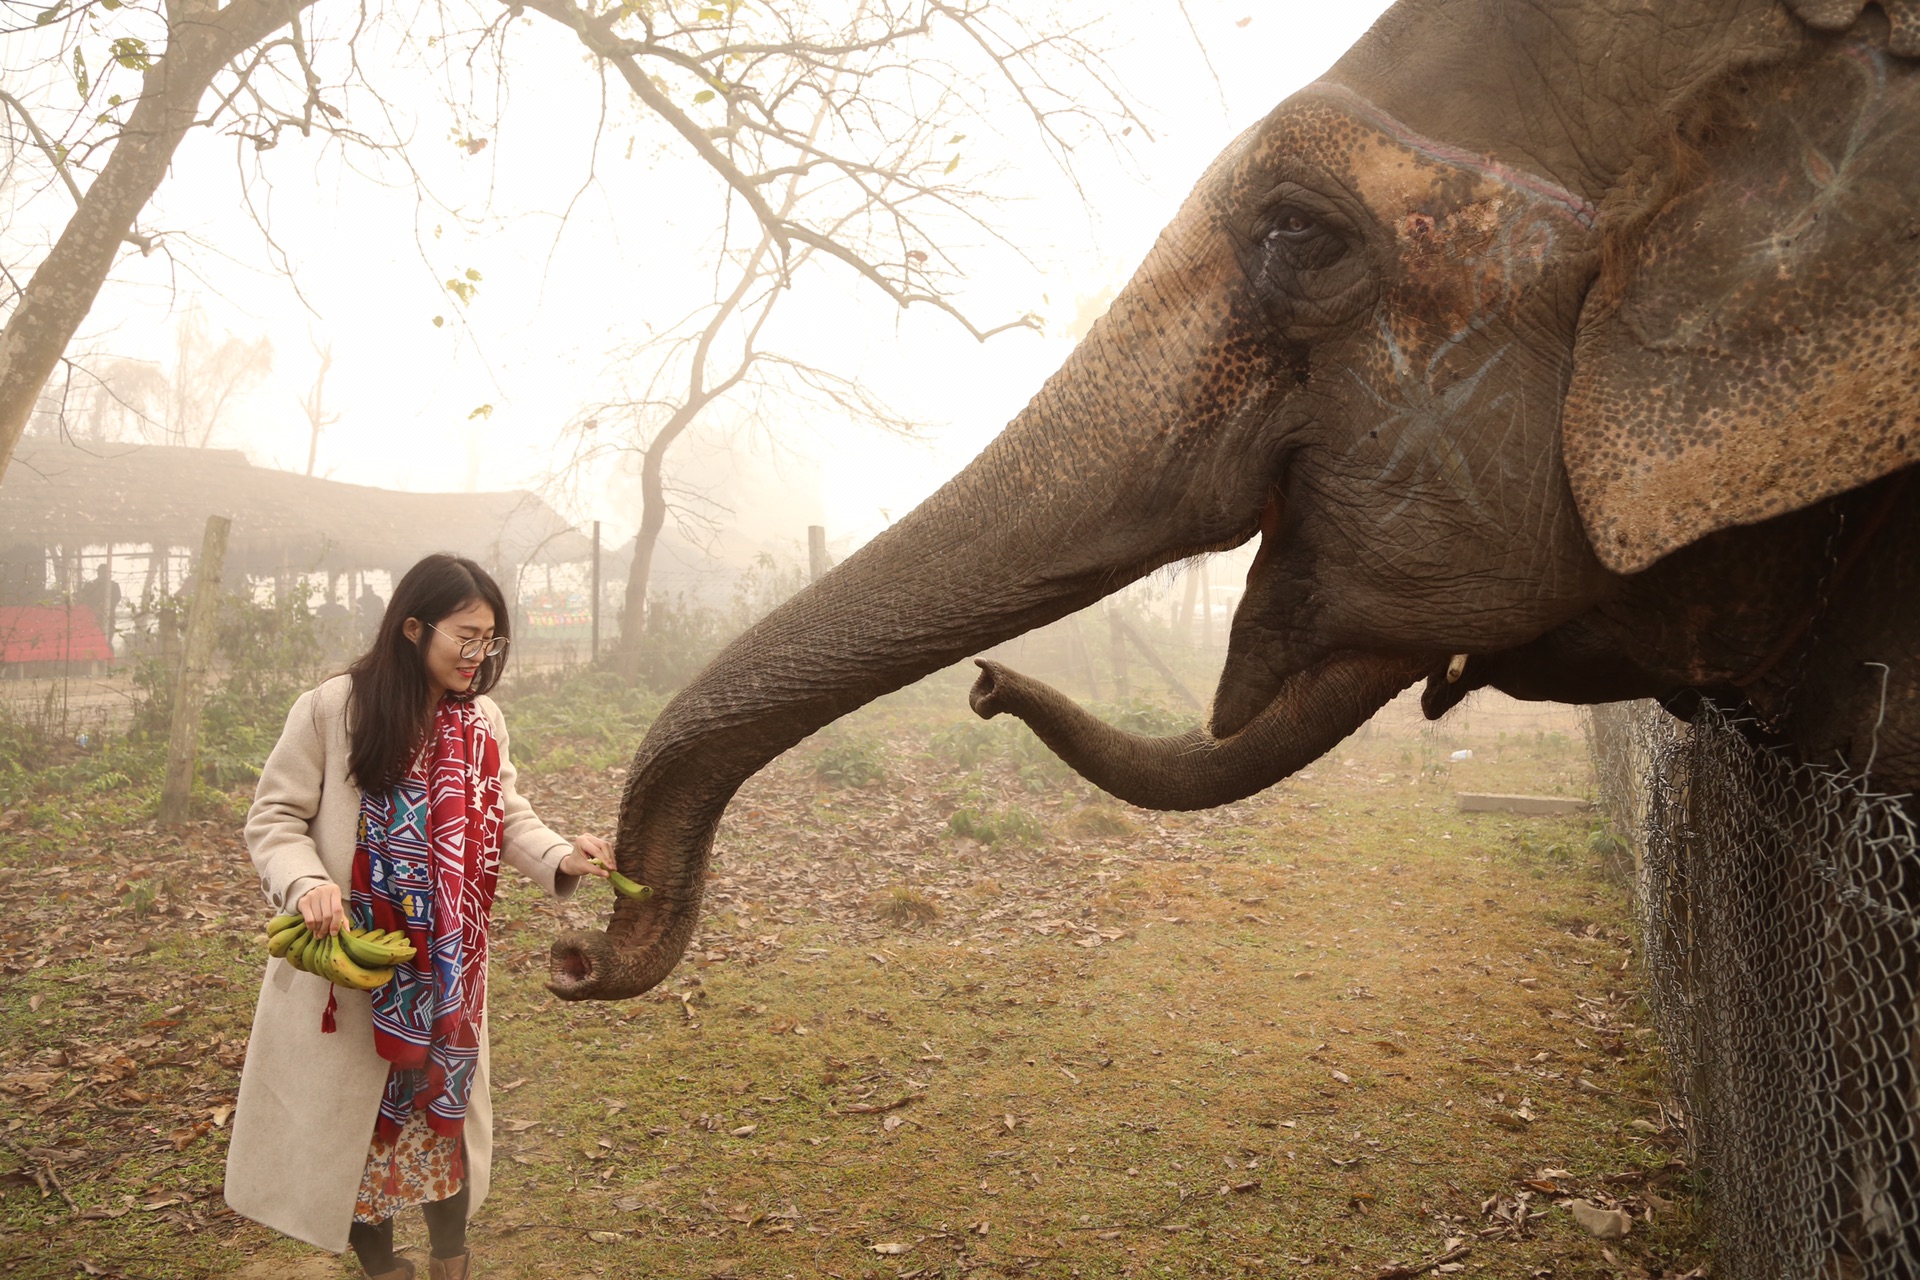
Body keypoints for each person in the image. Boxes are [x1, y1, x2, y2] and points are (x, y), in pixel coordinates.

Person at [225, 553, 615, 1279]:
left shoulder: (482, 719)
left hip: (449, 973)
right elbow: (274, 818)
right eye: (466, 635)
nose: (479, 654)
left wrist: (562, 856)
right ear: (412, 626)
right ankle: (383, 1272)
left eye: (490, 639)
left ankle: (450, 1264)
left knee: (445, 1122)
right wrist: (307, 880)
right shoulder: (332, 709)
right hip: (356, 965)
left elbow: (505, 814)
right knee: (359, 1136)